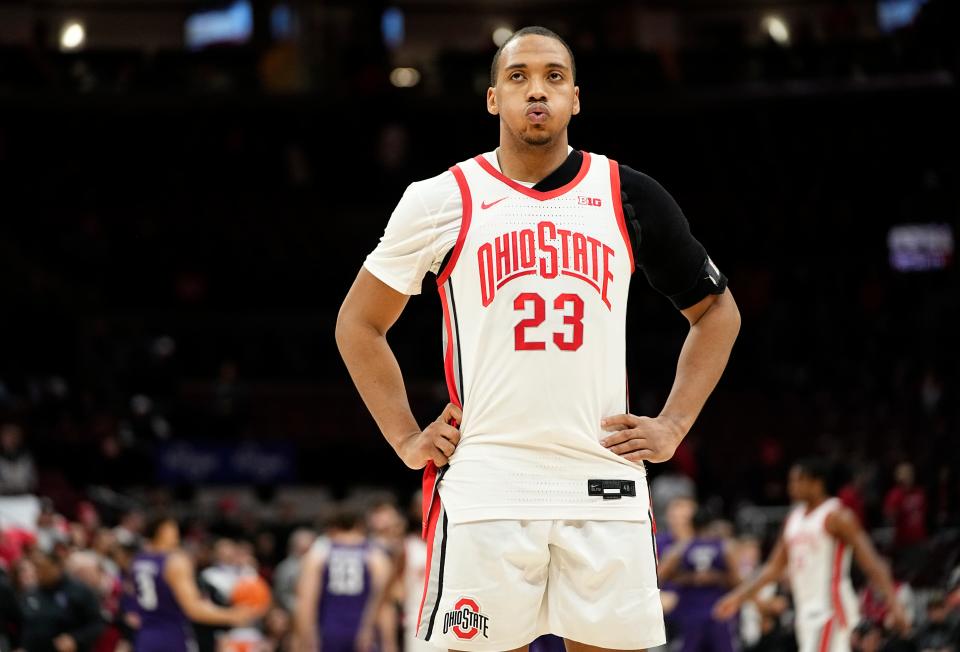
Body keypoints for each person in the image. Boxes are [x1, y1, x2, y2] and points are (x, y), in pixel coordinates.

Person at [336, 25, 740, 652]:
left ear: (575, 98)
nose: (537, 91)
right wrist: (404, 436)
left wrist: (674, 424)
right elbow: (359, 323)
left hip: (602, 479)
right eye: (518, 76)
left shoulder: (629, 195)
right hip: (488, 482)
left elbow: (717, 313)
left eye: (553, 76)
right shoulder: (442, 199)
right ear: (493, 98)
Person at [715, 458, 909, 652]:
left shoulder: (837, 516)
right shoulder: (793, 520)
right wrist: (738, 597)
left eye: (798, 480)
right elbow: (773, 568)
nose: (791, 486)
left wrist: (894, 604)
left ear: (816, 483)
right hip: (805, 613)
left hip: (830, 611)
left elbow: (871, 562)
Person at [129, 516, 261, 652]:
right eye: (174, 529)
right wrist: (232, 615)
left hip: (145, 637)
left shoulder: (138, 560)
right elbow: (193, 609)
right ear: (164, 531)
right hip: (171, 635)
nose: (177, 534)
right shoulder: (175, 561)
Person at [295, 506, 393, 652]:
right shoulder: (375, 555)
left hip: (328, 631)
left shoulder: (319, 554)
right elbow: (384, 604)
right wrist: (389, 644)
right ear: (360, 525)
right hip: (366, 632)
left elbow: (306, 602)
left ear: (331, 527)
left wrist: (305, 640)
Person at [659, 508, 740, 652]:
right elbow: (737, 582)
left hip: (690, 616)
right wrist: (718, 577)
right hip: (718, 614)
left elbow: (659, 577)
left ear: (692, 525)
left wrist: (685, 578)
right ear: (711, 525)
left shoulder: (681, 548)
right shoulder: (725, 547)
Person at [17, 549, 105, 652]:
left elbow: (97, 623)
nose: (39, 573)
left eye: (44, 569)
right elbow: (26, 625)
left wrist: (75, 639)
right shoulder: (31, 593)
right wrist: (22, 646)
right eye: (37, 569)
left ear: (57, 567)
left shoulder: (80, 591)